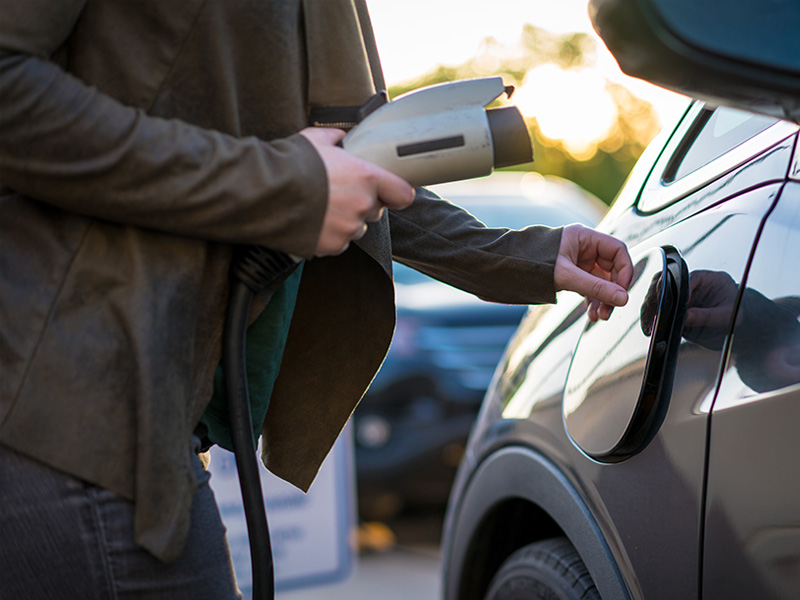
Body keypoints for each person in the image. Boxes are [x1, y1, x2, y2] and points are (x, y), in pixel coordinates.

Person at [0, 1, 633, 598]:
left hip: (141, 409)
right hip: (60, 402)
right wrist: (275, 186)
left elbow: (339, 167)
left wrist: (526, 255)